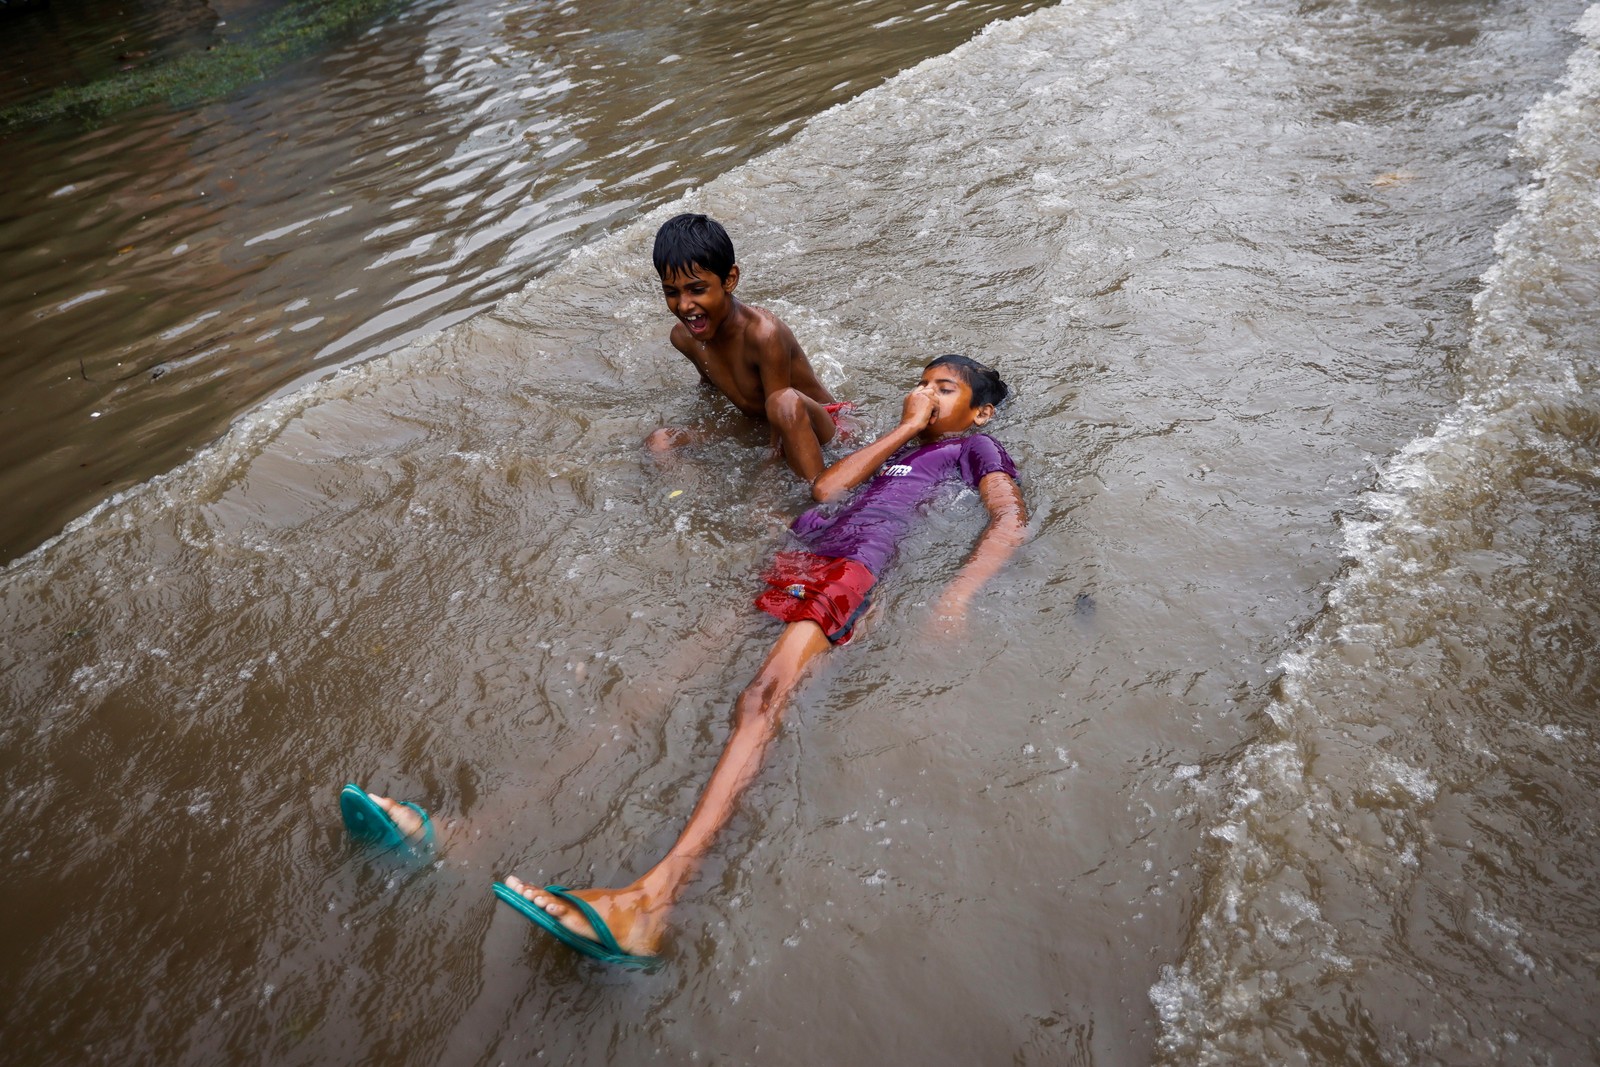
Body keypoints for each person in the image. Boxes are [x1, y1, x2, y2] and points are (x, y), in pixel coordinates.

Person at [344, 355, 1026, 969]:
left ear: (980, 410)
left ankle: (652, 902)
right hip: (806, 553)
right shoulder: (896, 445)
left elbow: (1008, 520)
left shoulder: (975, 447)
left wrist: (957, 597)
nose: (925, 394)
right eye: (922, 382)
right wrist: (903, 430)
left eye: (944, 388)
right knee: (660, 683)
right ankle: (465, 834)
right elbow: (826, 491)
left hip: (856, 571)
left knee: (762, 698)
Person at [645, 213, 850, 482]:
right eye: (672, 293)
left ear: (729, 280)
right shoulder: (684, 338)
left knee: (782, 402)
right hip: (761, 422)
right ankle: (690, 499)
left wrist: (767, 489)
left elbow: (782, 418)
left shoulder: (763, 335)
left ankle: (820, 503)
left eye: (697, 290)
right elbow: (709, 387)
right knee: (660, 441)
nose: (684, 305)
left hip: (820, 426)